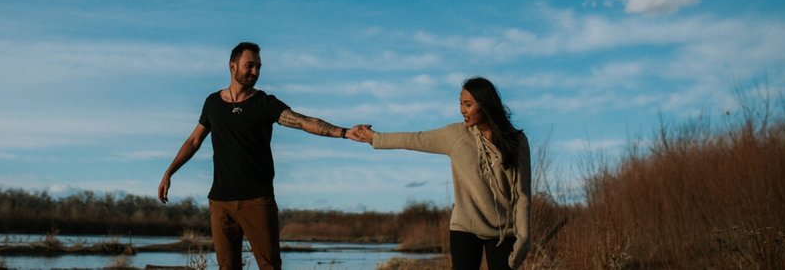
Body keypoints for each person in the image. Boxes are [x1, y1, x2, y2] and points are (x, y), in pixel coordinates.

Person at [158, 41, 366, 270]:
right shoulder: (213, 103)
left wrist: (345, 132)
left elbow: (303, 121)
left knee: (269, 266)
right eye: (250, 66)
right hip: (220, 201)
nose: (255, 72)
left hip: (257, 200)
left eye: (258, 66)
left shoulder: (264, 103)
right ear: (232, 66)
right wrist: (169, 172)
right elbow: (194, 141)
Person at [353, 77, 531, 270]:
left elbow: (522, 195)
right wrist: (375, 138)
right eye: (461, 104)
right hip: (465, 227)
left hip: (504, 231)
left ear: (485, 104)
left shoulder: (517, 140)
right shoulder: (456, 135)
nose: (462, 110)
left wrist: (524, 237)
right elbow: (416, 139)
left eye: (468, 104)